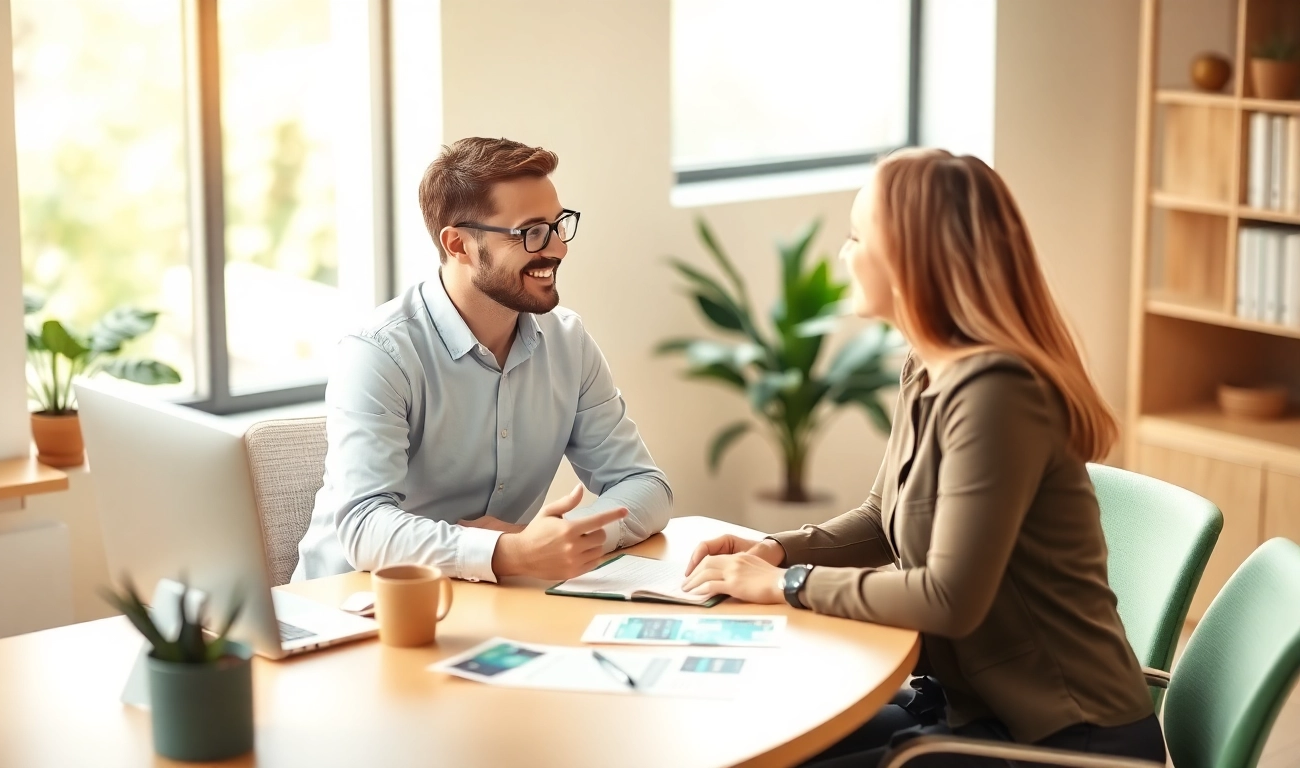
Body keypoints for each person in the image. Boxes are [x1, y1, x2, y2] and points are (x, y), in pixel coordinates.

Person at [681, 148, 1165, 767]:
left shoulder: (997, 392)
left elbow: (948, 598)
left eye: (857, 237)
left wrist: (787, 585)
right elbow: (882, 515)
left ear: (910, 258)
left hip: (1065, 740)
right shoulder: (927, 365)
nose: (843, 254)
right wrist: (776, 550)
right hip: (973, 710)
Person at [293, 137, 672, 584]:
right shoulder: (379, 353)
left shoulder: (568, 342)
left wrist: (560, 538)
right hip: (351, 609)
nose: (558, 249)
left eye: (558, 225)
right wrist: (503, 553)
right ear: (458, 245)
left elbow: (646, 485)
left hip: (486, 602)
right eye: (532, 232)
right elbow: (364, 527)